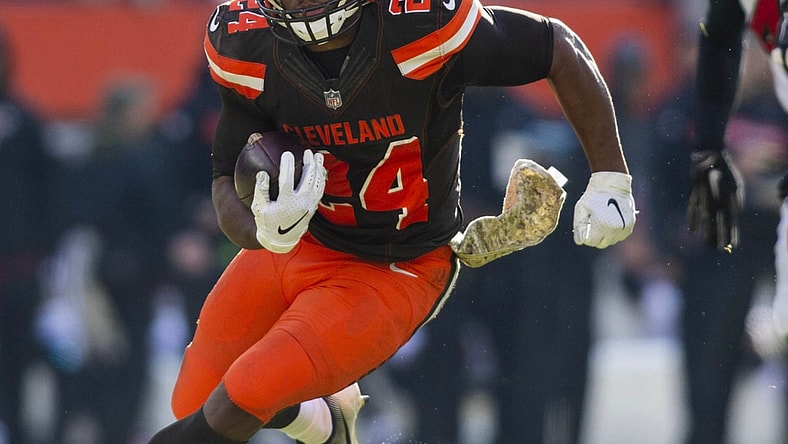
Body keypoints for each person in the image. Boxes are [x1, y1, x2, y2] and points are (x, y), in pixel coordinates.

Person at [147, 0, 637, 442]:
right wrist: (261, 230)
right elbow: (222, 176)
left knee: (240, 396)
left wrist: (611, 174)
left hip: (395, 266)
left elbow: (555, 45)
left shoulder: (420, 25)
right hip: (303, 243)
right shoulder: (247, 40)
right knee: (191, 399)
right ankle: (318, 418)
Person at [0, 25, 56, 444]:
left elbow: (49, 195)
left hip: (17, 274)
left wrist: (44, 257)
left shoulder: (26, 123)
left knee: (18, 367)